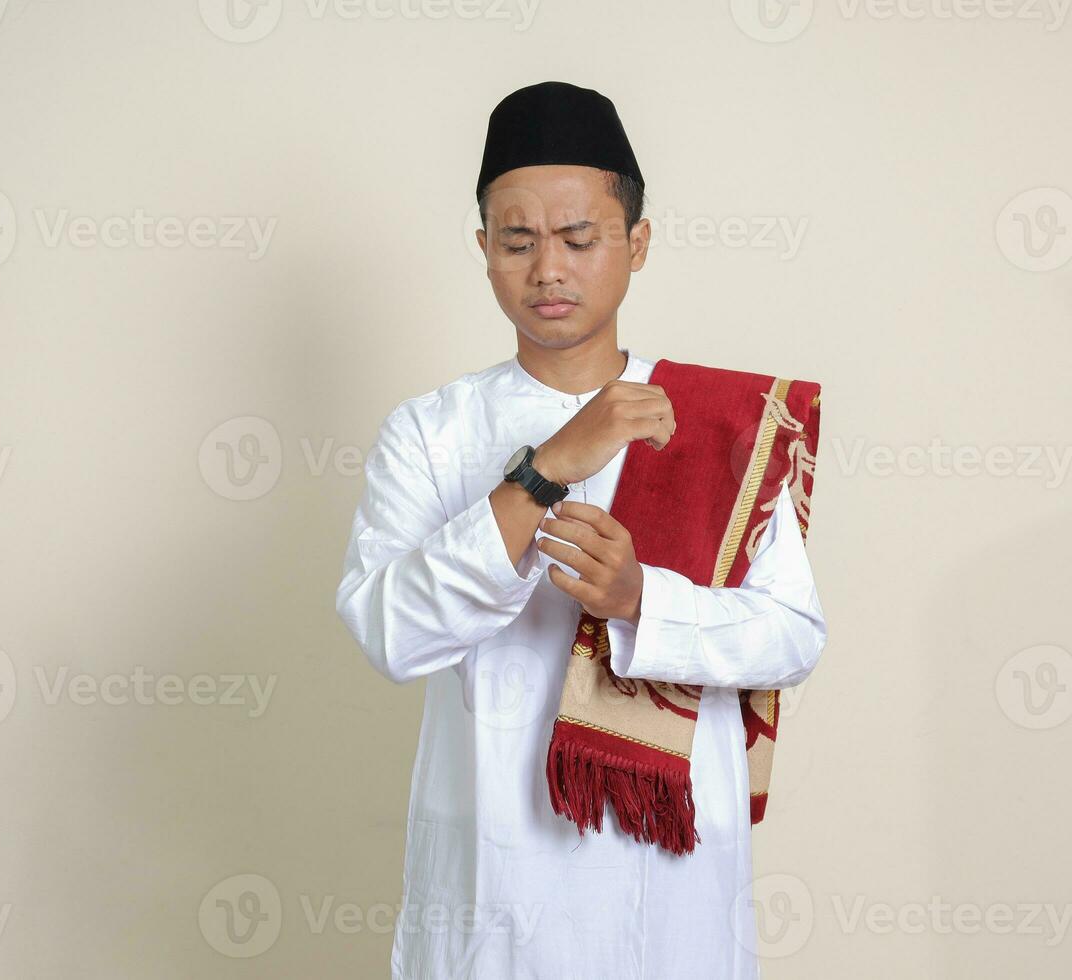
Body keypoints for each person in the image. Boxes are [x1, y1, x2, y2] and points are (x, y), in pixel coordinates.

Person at [334, 80, 827, 980]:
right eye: (517, 242)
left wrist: (644, 601)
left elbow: (793, 636)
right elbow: (390, 632)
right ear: (484, 249)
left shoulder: (721, 427)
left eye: (578, 238)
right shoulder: (430, 432)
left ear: (636, 243)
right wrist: (549, 467)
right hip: (495, 870)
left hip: (671, 878)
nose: (547, 269)